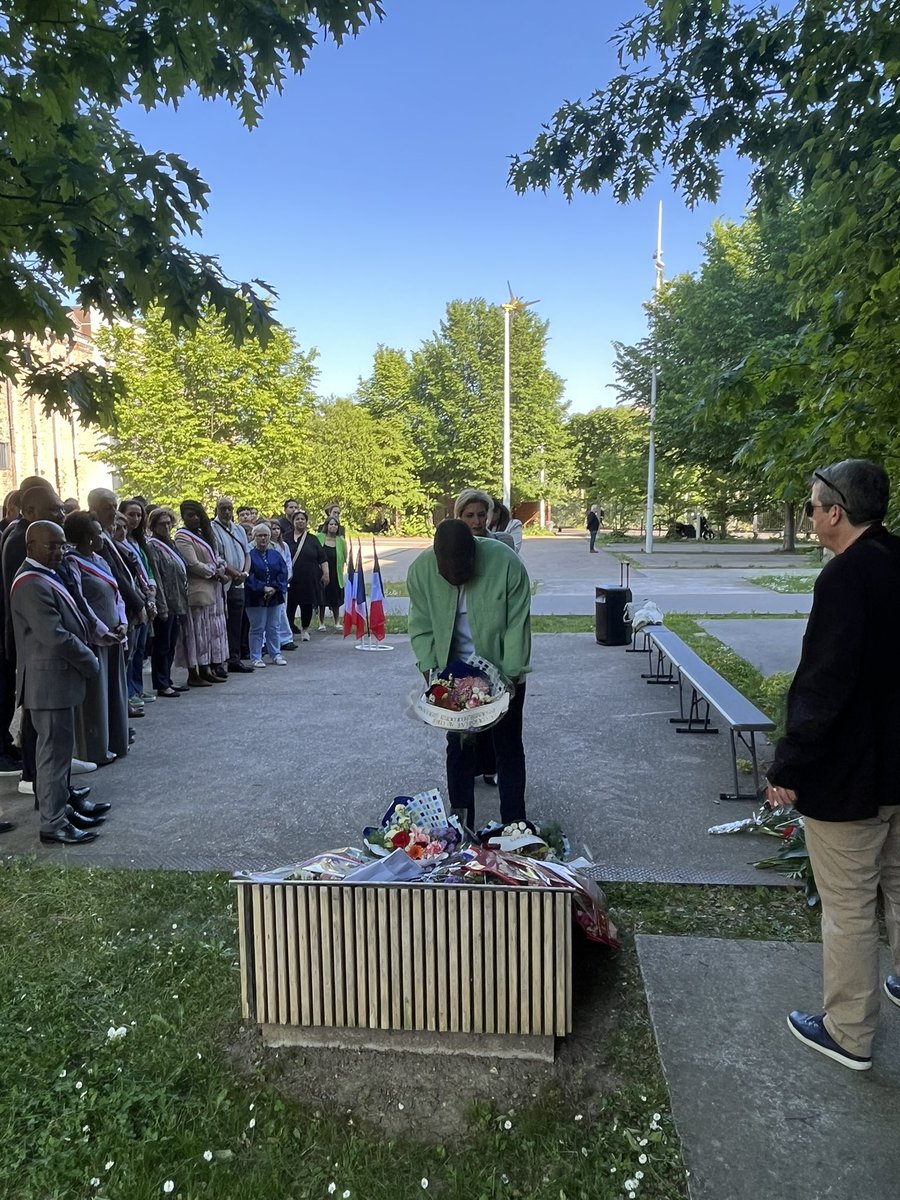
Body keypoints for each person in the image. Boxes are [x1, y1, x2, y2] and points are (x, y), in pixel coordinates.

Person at [766, 460, 900, 1072]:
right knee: (898, 885)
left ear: (835, 513)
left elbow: (822, 684)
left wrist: (788, 764)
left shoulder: (845, 578)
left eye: (814, 506)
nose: (812, 514)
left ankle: (848, 1032)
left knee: (848, 905)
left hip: (854, 776)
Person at [407, 518, 532, 829]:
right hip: (455, 675)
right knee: (460, 749)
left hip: (505, 671)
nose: (454, 579)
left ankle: (515, 828)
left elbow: (518, 626)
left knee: (508, 747)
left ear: (474, 555)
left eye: (462, 573)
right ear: (435, 557)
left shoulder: (506, 564)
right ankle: (461, 827)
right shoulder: (420, 572)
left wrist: (510, 681)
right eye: (446, 574)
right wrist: (430, 671)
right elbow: (420, 626)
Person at [10, 521, 102, 845]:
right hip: (47, 682)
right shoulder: (31, 583)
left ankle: (61, 811)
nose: (59, 551)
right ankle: (53, 824)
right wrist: (89, 658)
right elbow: (55, 636)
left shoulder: (44, 575)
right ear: (31, 546)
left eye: (62, 545)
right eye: (51, 545)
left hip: (57, 680)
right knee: (51, 757)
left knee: (59, 753)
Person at [62, 511, 129, 764]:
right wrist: (102, 629)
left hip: (115, 633)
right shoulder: (72, 562)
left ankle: (117, 741)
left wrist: (121, 622)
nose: (103, 536)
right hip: (96, 636)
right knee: (97, 698)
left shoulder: (100, 560)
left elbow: (116, 594)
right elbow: (79, 601)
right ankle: (96, 749)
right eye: (98, 532)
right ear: (88, 538)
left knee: (115, 692)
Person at [174, 501, 229, 686]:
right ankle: (193, 672)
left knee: (206, 633)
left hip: (211, 590)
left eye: (197, 515)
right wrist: (215, 572)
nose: (195, 518)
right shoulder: (182, 536)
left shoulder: (202, 534)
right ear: (183, 517)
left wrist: (220, 565)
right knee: (193, 633)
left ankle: (205, 668)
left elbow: (215, 556)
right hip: (197, 590)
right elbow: (192, 563)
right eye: (190, 515)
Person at [119, 498, 158, 712]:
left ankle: (137, 686)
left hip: (145, 595)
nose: (135, 519)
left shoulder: (139, 541)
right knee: (131, 650)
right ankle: (130, 691)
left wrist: (151, 590)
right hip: (133, 601)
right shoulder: (119, 543)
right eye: (130, 515)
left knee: (140, 648)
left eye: (138, 515)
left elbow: (147, 568)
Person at [146, 507, 189, 697]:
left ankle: (168, 679)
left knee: (171, 643)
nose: (166, 526)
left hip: (177, 598)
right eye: (162, 523)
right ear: (153, 525)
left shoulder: (171, 543)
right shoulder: (153, 545)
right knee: (162, 645)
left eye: (168, 522)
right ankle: (161, 682)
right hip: (165, 600)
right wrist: (161, 604)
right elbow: (157, 575)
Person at [212, 497, 253, 673]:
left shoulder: (238, 530)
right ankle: (220, 660)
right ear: (217, 510)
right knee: (221, 623)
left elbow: (247, 553)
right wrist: (234, 573)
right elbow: (216, 557)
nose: (227, 512)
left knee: (237, 622)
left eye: (229, 508)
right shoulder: (212, 529)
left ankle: (234, 658)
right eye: (223, 509)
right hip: (224, 582)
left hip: (239, 582)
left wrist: (244, 573)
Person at [244, 523, 289, 667]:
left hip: (275, 597)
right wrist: (262, 588)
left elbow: (283, 573)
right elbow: (248, 576)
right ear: (253, 537)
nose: (263, 538)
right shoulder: (249, 556)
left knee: (274, 626)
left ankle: (276, 654)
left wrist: (275, 588)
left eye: (266, 535)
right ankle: (256, 656)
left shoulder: (275, 555)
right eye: (260, 535)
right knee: (257, 628)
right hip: (256, 598)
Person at [285, 509, 327, 642]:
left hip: (309, 579)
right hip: (290, 579)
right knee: (289, 605)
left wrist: (326, 573)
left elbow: (322, 558)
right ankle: (288, 630)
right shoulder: (286, 537)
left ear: (306, 522)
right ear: (293, 521)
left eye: (303, 519)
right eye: (297, 519)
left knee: (307, 604)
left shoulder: (312, 539)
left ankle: (305, 630)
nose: (300, 521)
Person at [268, 519, 297, 650]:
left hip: (282, 583)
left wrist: (286, 578)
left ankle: (285, 639)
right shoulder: (266, 546)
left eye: (277, 529)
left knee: (281, 612)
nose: (275, 531)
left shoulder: (283, 545)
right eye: (273, 529)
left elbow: (288, 564)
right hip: (269, 585)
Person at [315, 514, 345, 631]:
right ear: (326, 526)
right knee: (322, 598)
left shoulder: (341, 541)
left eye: (335, 525)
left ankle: (337, 622)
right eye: (331, 524)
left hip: (336, 572)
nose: (333, 526)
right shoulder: (319, 537)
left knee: (335, 598)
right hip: (321, 573)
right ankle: (321, 623)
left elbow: (344, 556)